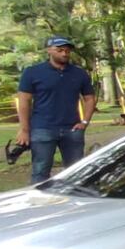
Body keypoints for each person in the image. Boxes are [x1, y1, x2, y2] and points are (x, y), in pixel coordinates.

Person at [15, 36, 97, 184]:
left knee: (76, 172)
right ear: (49, 51)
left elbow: (90, 98)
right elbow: (24, 101)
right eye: (59, 50)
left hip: (72, 129)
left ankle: (72, 197)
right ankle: (38, 197)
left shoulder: (79, 74)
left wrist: (85, 122)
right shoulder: (32, 72)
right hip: (42, 129)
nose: (64, 53)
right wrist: (24, 130)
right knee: (40, 171)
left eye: (67, 51)